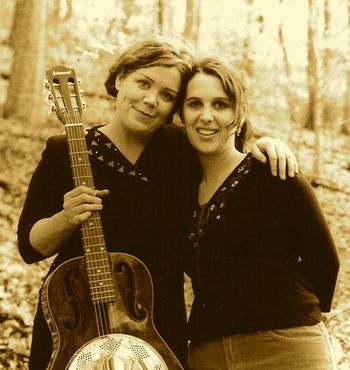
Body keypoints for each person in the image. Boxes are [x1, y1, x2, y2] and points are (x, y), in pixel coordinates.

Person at [17, 37, 298, 370]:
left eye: (167, 96)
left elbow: (229, 154)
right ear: (120, 78)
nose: (151, 101)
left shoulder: (182, 151)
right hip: (75, 321)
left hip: (157, 323)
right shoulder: (65, 150)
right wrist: (65, 218)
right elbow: (29, 247)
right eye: (143, 83)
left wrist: (268, 144)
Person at [179, 57, 340, 370]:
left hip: (285, 349)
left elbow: (325, 261)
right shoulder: (180, 187)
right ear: (181, 114)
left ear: (238, 113)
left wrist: (288, 316)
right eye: (194, 103)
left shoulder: (273, 172)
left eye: (221, 104)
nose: (206, 116)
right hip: (208, 355)